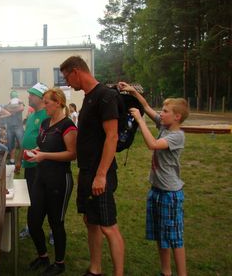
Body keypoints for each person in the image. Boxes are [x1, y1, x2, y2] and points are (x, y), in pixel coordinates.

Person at [60, 56, 124, 276]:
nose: (67, 83)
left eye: (67, 77)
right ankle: (95, 269)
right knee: (91, 221)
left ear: (76, 71)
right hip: (87, 172)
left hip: (100, 174)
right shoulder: (88, 97)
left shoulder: (105, 96)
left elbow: (112, 137)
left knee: (108, 226)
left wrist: (101, 175)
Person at [118, 82, 189, 276]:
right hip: (156, 190)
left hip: (170, 194)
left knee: (175, 238)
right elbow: (147, 107)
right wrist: (132, 91)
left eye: (165, 111)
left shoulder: (177, 136)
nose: (161, 113)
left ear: (177, 117)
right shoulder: (165, 125)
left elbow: (152, 144)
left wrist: (140, 121)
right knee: (160, 235)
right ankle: (165, 272)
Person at [26, 88, 77, 275]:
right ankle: (43, 256)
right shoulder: (46, 122)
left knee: (56, 222)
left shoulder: (67, 125)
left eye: (47, 102)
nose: (44, 105)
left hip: (59, 179)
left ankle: (59, 263)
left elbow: (72, 154)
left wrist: (44, 155)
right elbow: (44, 142)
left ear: (58, 103)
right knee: (33, 221)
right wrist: (36, 151)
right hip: (41, 177)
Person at [16, 83, 49, 239]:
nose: (28, 97)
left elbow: (50, 140)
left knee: (45, 198)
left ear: (41, 98)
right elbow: (25, 139)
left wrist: (36, 152)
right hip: (29, 164)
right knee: (31, 197)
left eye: (32, 95)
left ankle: (52, 230)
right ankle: (31, 227)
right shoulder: (31, 115)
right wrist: (18, 159)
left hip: (41, 165)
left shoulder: (47, 115)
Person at [4, 91, 25, 164]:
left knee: (21, 143)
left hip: (18, 126)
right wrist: (14, 110)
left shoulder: (20, 103)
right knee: (11, 144)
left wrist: (12, 110)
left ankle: (22, 159)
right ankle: (12, 160)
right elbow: (7, 109)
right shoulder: (9, 104)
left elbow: (21, 109)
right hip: (10, 127)